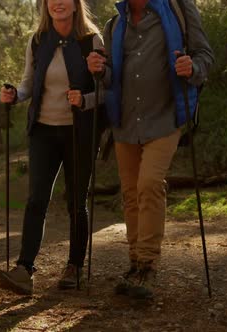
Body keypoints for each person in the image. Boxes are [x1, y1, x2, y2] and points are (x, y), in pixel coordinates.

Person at [87, 0, 214, 300]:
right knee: (130, 193)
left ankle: (148, 265)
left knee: (149, 184)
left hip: (166, 118)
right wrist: (99, 70)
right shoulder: (114, 24)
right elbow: (111, 78)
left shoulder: (179, 10)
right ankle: (134, 264)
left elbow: (205, 56)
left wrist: (192, 67)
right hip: (126, 122)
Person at [0, 0, 103, 295]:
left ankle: (74, 267)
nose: (58, 3)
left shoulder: (91, 40)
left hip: (79, 133)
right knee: (36, 200)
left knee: (76, 203)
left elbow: (105, 87)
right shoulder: (38, 39)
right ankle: (24, 270)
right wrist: (15, 95)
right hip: (43, 131)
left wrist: (85, 98)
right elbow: (29, 83)